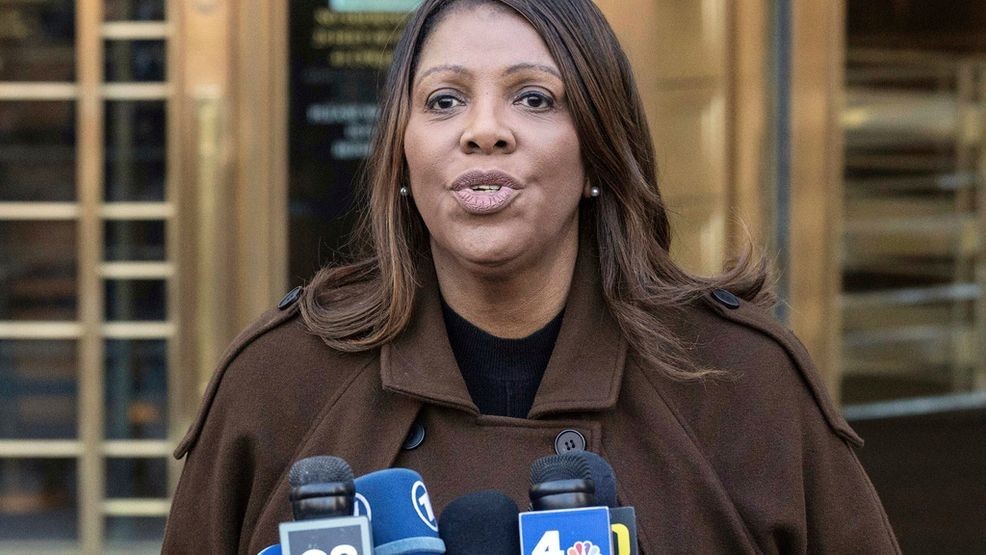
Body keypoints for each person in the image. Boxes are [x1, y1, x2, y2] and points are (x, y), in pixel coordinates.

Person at [163, 0, 900, 553]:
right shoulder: (278, 382)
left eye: (535, 97)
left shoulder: (740, 381)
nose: (484, 129)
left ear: (599, 152)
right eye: (444, 100)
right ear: (402, 157)